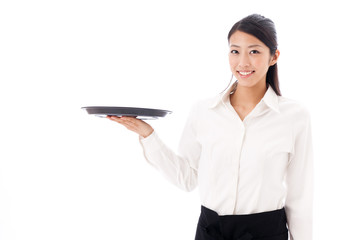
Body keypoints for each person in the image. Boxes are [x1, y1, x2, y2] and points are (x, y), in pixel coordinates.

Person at [107, 14, 313, 240]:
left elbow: (300, 197)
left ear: (274, 57)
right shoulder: (204, 112)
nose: (243, 62)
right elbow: (186, 179)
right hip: (210, 232)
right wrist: (147, 134)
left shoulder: (294, 117)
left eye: (254, 51)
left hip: (266, 233)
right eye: (235, 51)